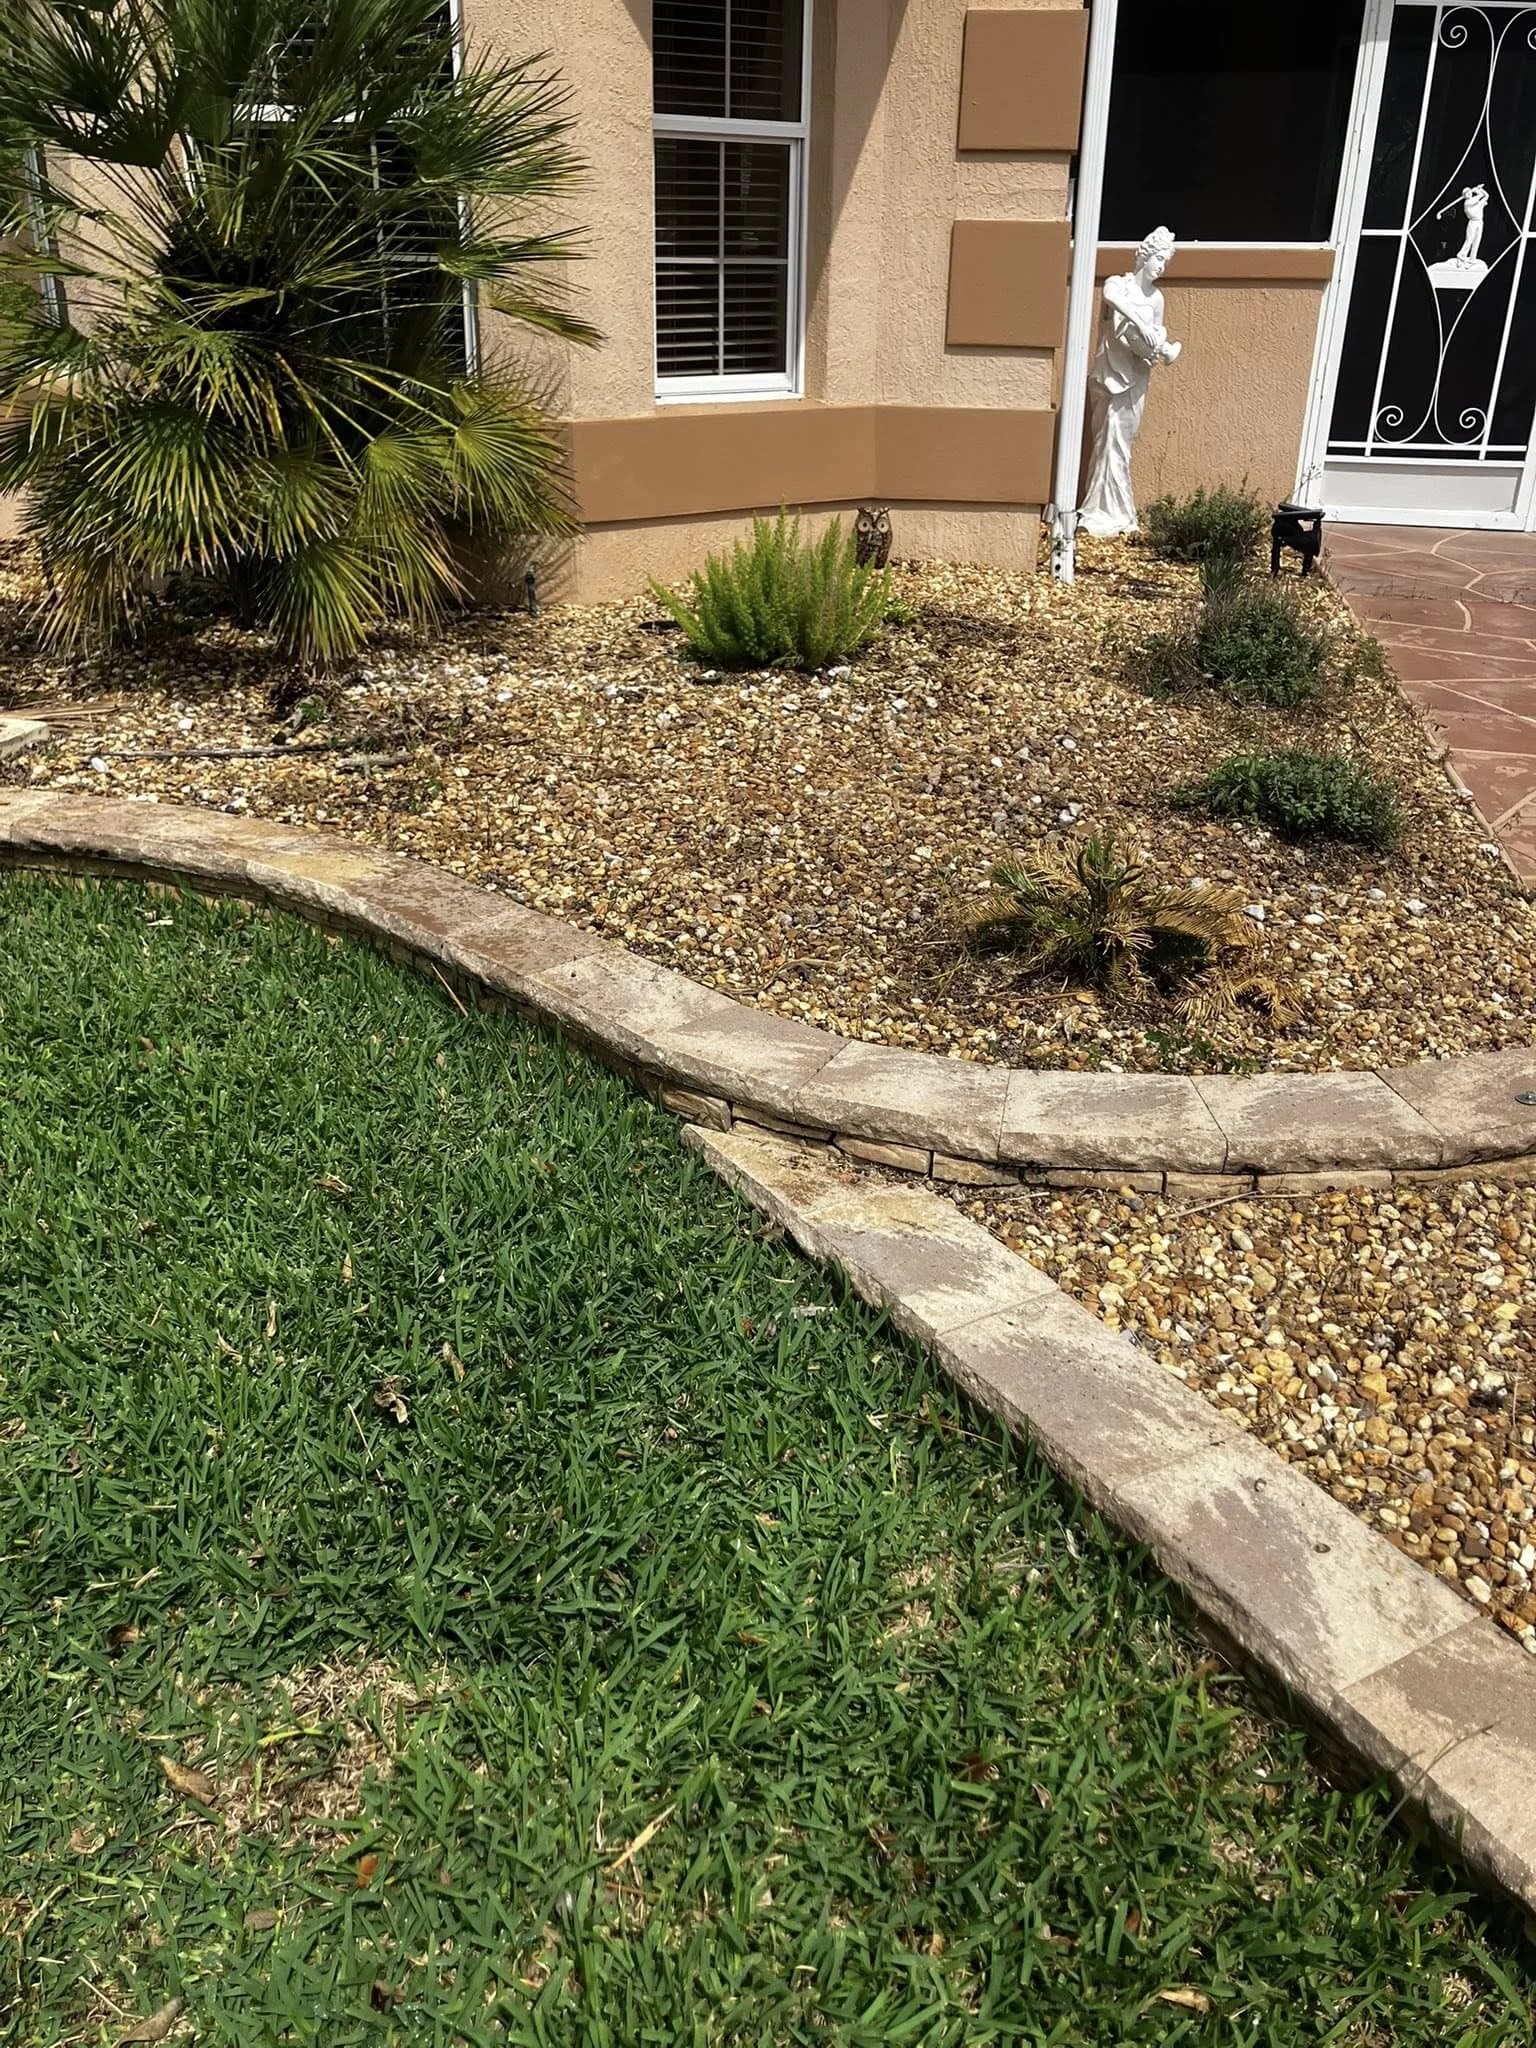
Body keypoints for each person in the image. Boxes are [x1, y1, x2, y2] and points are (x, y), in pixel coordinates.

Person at [1080, 226, 1182, 539]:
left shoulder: (1157, 298)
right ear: (1145, 257)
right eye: (1159, 259)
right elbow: (1109, 298)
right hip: (1110, 374)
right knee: (1103, 443)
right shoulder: (1119, 283)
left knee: (1120, 445)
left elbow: (1156, 335)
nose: (1161, 267)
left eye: (1166, 262)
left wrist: (1157, 344)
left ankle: (1120, 513)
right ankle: (1096, 511)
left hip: (1135, 377)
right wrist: (1140, 321)